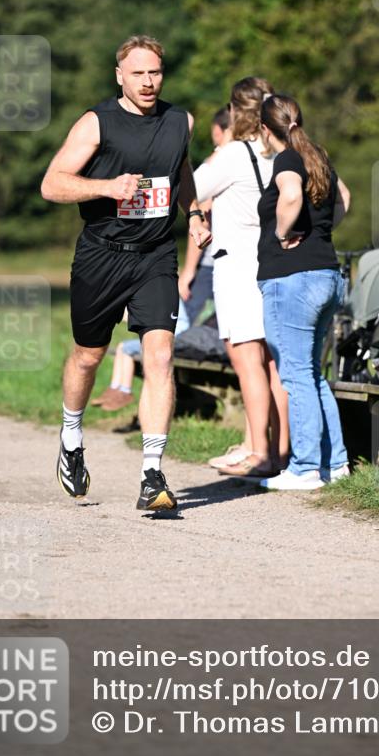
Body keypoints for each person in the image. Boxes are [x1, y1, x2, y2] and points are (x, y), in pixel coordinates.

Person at [40, 34, 211, 510]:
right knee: (88, 357)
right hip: (102, 253)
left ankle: (152, 476)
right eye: (138, 73)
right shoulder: (97, 123)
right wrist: (107, 187)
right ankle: (71, 436)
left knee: (158, 357)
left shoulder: (181, 121)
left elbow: (183, 171)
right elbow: (52, 184)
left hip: (155, 254)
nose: (148, 81)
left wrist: (194, 215)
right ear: (120, 76)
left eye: (155, 72)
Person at [194, 78, 290, 477]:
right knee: (274, 363)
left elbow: (192, 188)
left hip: (237, 266)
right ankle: (280, 450)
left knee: (248, 359)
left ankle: (260, 453)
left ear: (234, 111)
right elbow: (341, 196)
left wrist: (226, 143)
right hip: (277, 262)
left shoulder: (235, 154)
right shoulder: (286, 149)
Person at [255, 93, 351, 490]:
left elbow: (291, 194)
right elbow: (344, 198)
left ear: (265, 129)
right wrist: (321, 232)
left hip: (292, 280)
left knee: (295, 376)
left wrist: (282, 233)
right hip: (327, 274)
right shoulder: (318, 157)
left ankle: (306, 468)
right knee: (311, 373)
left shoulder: (287, 159)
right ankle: (336, 463)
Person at [92, 298, 191, 411]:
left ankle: (124, 391)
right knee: (122, 347)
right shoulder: (159, 291)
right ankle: (114, 389)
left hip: (175, 336)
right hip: (169, 333)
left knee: (126, 349)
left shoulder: (161, 293)